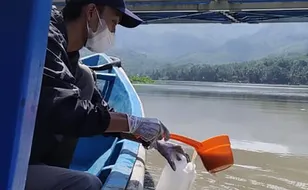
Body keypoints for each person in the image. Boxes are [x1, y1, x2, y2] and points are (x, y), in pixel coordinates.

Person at [25, 0, 190, 189]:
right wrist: (132, 123)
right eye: (113, 23)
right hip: (9, 163)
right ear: (91, 12)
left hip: (31, 154)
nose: (112, 33)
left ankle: (53, 168)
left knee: (85, 76)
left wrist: (151, 140)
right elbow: (66, 111)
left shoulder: (69, 56)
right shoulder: (45, 41)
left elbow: (101, 112)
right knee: (87, 184)